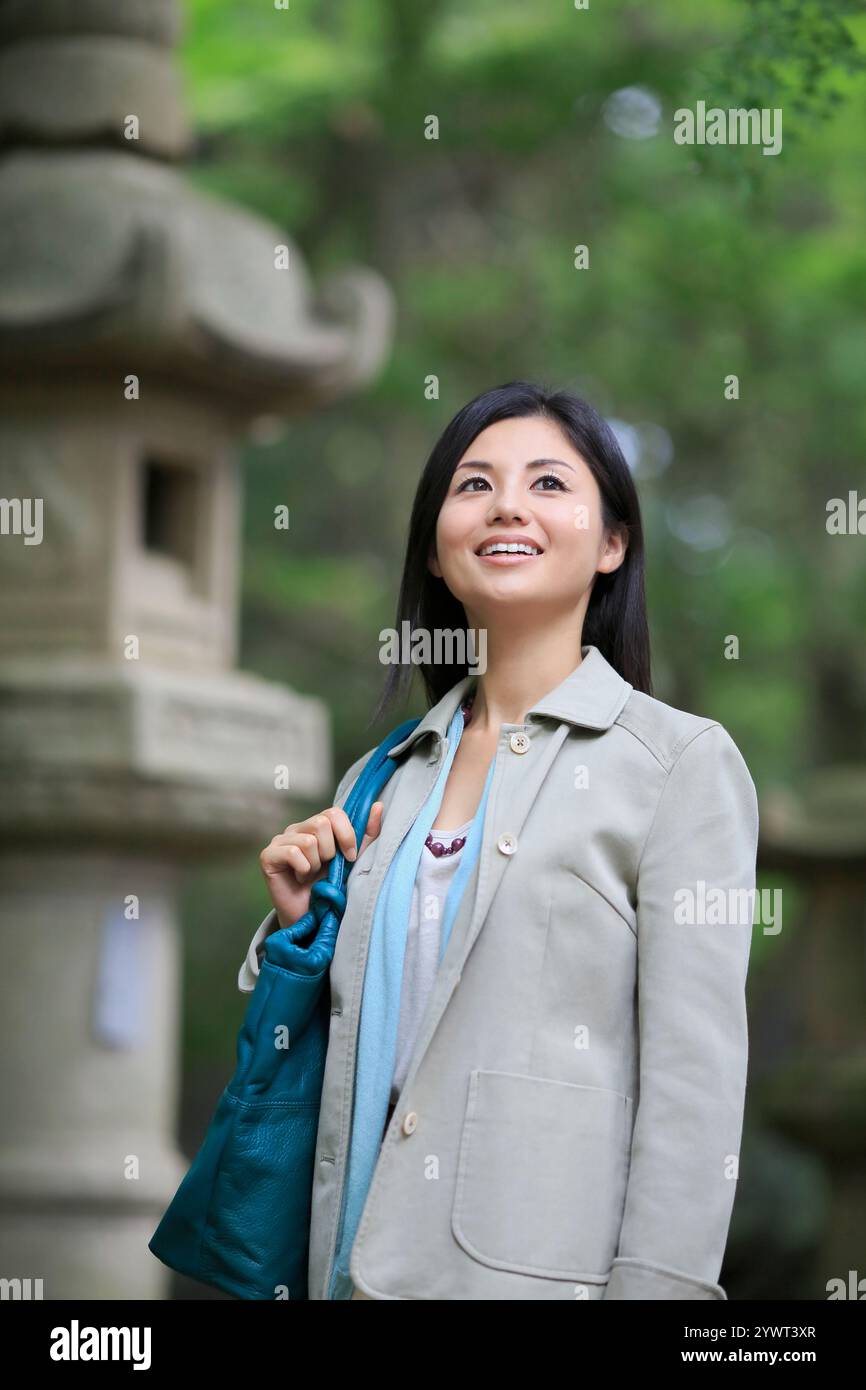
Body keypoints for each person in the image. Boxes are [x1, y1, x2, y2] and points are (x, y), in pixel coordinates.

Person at [239, 380, 759, 1301]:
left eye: (549, 484)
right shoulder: (381, 780)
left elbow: (695, 1089)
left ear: (612, 544)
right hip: (343, 1269)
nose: (507, 504)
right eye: (473, 485)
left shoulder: (678, 767)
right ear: (437, 551)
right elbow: (355, 1048)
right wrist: (296, 934)